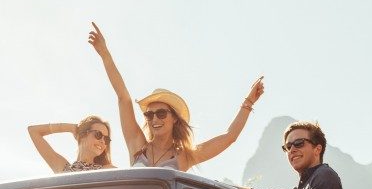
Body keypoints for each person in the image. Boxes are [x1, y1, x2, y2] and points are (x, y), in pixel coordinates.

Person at [87, 22, 264, 170]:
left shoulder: (185, 156)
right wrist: (104, 53)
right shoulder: (137, 145)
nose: (154, 118)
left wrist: (248, 102)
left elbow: (229, 137)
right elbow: (123, 98)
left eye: (161, 113)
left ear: (175, 119)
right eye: (149, 114)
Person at [27, 115, 114, 173]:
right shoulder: (63, 169)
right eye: (98, 135)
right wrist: (71, 128)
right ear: (83, 134)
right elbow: (33, 131)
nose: (103, 141)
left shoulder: (107, 170)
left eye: (106, 139)